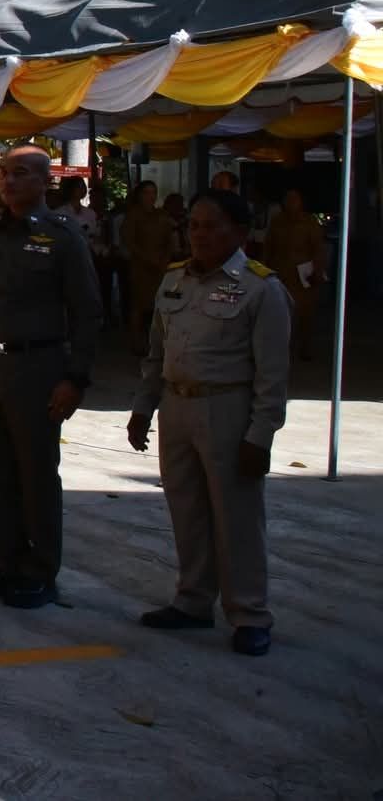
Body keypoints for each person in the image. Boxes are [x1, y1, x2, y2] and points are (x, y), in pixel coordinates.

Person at [128, 188, 290, 656]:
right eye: (194, 225)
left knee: (236, 516)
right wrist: (143, 408)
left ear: (239, 232)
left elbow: (273, 375)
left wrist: (260, 435)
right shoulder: (173, 279)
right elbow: (155, 353)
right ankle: (193, 600)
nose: (199, 235)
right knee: (187, 509)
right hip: (176, 406)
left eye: (211, 226)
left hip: (227, 409)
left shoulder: (261, 288)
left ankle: (250, 613)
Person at [0, 144, 102, 609]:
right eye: (4, 172)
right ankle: (8, 561)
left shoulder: (62, 236)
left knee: (36, 474)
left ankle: (41, 570)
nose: (8, 180)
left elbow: (87, 312)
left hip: (37, 367)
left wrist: (75, 377)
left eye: (21, 173)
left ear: (45, 182)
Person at [262, 189, 324, 361]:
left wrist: (317, 270)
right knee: (281, 311)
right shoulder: (277, 221)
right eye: (288, 199)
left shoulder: (309, 221)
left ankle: (305, 347)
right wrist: (263, 270)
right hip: (281, 271)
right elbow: (268, 247)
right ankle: (284, 347)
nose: (290, 202)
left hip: (303, 272)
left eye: (294, 199)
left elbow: (318, 249)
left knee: (305, 312)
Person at [122, 181, 173, 346]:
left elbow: (169, 239)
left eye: (153, 192)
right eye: (146, 192)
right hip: (140, 266)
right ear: (139, 195)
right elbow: (129, 241)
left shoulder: (161, 215)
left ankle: (158, 340)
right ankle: (136, 340)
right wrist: (146, 258)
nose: (150, 196)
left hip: (160, 265)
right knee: (138, 304)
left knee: (160, 303)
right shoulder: (133, 215)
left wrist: (164, 259)